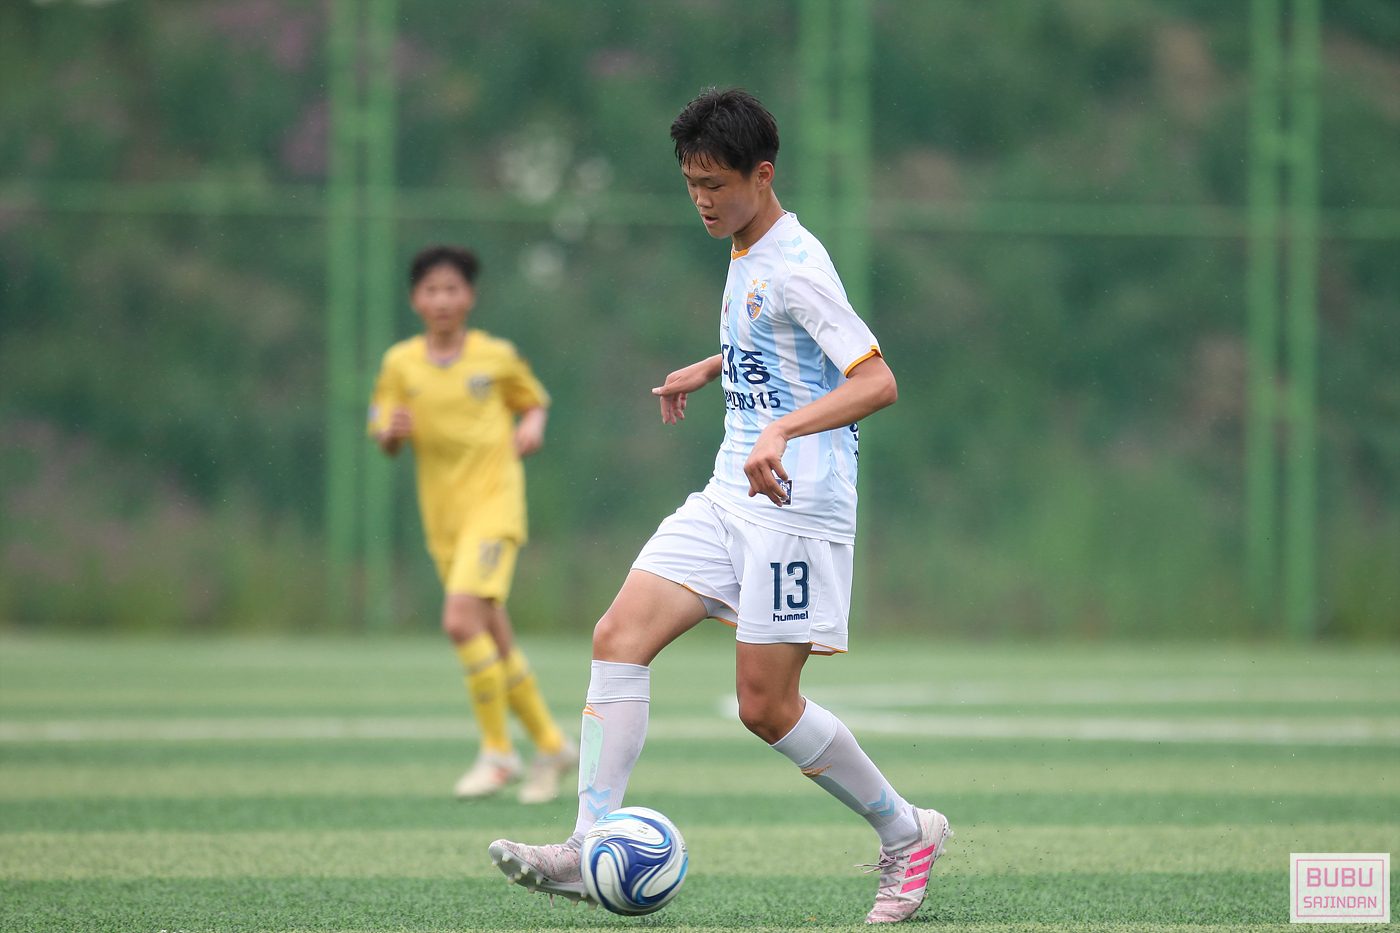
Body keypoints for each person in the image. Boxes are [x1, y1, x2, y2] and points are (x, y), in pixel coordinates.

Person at [487, 90, 950, 922]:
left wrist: (780, 430)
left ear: (761, 176)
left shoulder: (797, 264)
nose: (701, 199)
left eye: (715, 184)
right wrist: (716, 366)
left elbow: (876, 381)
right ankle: (587, 843)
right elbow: (776, 336)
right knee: (618, 635)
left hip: (796, 508)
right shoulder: (746, 247)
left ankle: (906, 831)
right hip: (730, 493)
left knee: (765, 708)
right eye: (691, 183)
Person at [369, 245, 578, 804]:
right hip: (443, 519)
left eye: (452, 289)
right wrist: (391, 432)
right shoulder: (400, 364)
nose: (442, 299)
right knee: (494, 637)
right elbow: (382, 430)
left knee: (460, 621)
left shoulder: (495, 356)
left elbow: (534, 401)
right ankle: (552, 745)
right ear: (415, 300)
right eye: (431, 290)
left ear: (470, 297)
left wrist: (532, 425)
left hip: (494, 507)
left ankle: (498, 752)